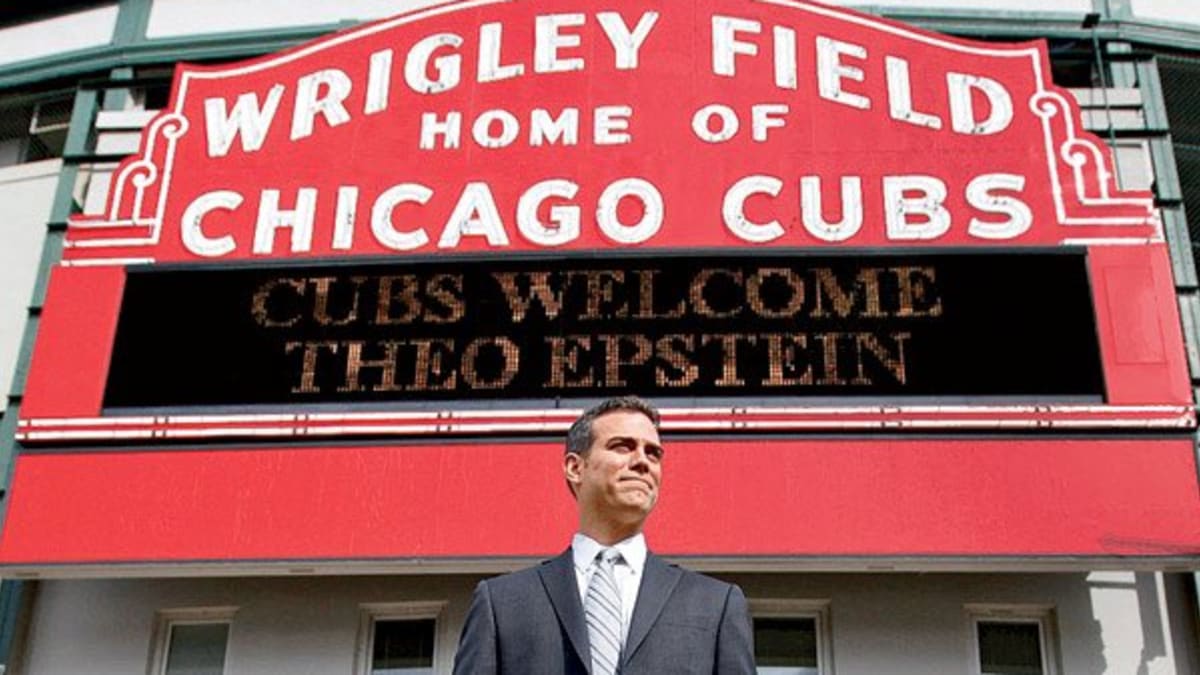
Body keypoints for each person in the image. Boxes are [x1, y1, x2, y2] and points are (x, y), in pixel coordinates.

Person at [452, 396, 756, 674]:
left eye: (653, 453)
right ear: (575, 467)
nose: (642, 462)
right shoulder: (501, 604)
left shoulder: (716, 606)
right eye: (622, 446)